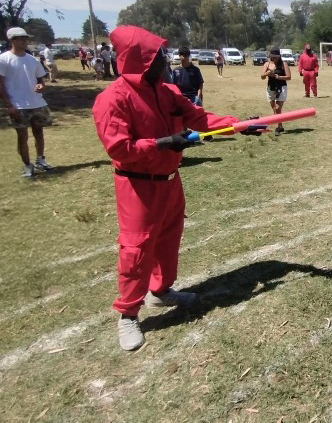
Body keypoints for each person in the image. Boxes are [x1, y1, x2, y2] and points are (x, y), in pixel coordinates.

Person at [92, 25, 261, 351]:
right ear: (139, 61)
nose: (165, 61)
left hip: (170, 182)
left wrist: (238, 125)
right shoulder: (112, 99)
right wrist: (162, 143)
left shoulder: (166, 91)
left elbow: (199, 118)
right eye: (158, 57)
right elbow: (119, 149)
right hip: (138, 188)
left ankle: (160, 292)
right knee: (136, 249)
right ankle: (128, 315)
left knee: (169, 238)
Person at [0, 27, 54, 178]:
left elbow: (41, 81)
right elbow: (1, 84)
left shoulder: (32, 60)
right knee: (22, 137)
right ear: (12, 40)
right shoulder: (3, 59)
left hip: (36, 103)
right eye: (20, 38)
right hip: (18, 105)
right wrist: (9, 104)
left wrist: (40, 86)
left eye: (25, 38)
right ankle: (27, 165)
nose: (24, 41)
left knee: (39, 133)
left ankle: (40, 160)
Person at [262, 47, 291, 136]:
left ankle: (278, 127)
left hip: (281, 87)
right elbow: (262, 76)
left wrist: (279, 77)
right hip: (271, 87)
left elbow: (289, 77)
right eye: (272, 56)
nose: (273, 58)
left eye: (275, 56)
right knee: (274, 109)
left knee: (278, 108)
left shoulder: (284, 64)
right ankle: (280, 125)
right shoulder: (267, 64)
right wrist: (266, 73)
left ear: (279, 56)